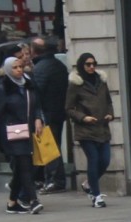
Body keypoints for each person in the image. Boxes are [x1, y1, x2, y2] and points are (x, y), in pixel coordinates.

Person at [0, 56, 45, 214]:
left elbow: (37, 103)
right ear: (7, 70)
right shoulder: (3, 87)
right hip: (13, 132)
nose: (19, 70)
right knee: (25, 164)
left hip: (29, 130)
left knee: (21, 167)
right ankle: (33, 200)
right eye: (15, 67)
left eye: (20, 66)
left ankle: (12, 203)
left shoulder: (28, 83)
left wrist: (38, 118)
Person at [66, 53, 115, 208]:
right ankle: (96, 195)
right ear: (82, 65)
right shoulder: (76, 84)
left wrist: (110, 114)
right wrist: (83, 117)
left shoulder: (101, 81)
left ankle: (88, 184)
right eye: (88, 64)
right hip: (86, 130)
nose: (92, 67)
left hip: (102, 127)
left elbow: (108, 101)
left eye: (94, 63)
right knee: (93, 160)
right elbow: (69, 108)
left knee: (105, 160)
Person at [31, 36, 69, 192]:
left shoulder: (40, 68)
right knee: (52, 145)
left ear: (34, 52)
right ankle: (48, 179)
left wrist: (37, 116)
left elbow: (36, 94)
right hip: (57, 111)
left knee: (48, 147)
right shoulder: (58, 65)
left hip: (47, 113)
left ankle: (54, 180)